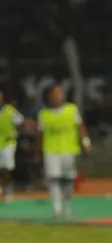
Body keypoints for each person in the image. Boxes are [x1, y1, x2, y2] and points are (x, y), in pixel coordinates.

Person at [37, 84, 92, 217]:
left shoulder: (71, 110)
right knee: (53, 179)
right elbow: (40, 134)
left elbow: (80, 127)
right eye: (54, 94)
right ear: (50, 97)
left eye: (60, 93)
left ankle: (67, 205)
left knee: (68, 179)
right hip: (51, 150)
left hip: (68, 149)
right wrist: (38, 150)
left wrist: (86, 143)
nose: (57, 96)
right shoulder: (44, 114)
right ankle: (57, 207)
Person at [0, 89, 24, 202]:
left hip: (8, 143)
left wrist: (15, 134)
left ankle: (8, 189)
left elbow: (21, 122)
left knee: (7, 167)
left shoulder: (9, 110)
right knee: (0, 169)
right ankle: (4, 188)